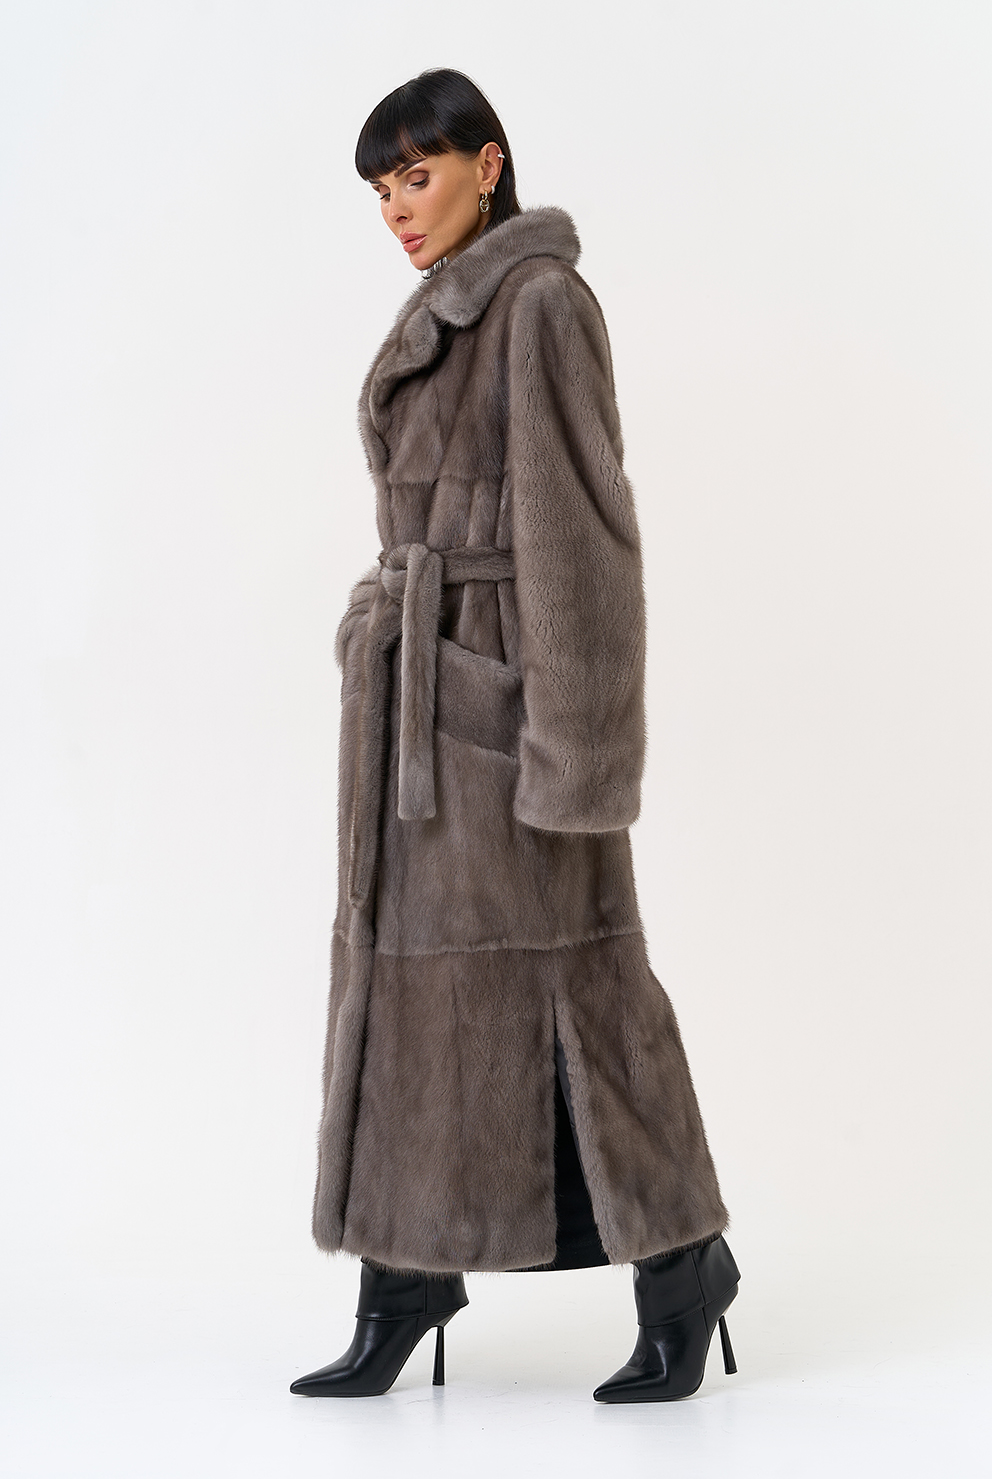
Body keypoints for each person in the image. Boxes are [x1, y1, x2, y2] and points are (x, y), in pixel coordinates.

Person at [290, 68, 740, 1405]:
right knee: (410, 999)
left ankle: (685, 1268)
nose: (397, 210)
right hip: (420, 715)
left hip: (510, 722)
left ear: (488, 164)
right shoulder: (446, 305)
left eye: (416, 177)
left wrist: (578, 755)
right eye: (381, 190)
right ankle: (405, 1276)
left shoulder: (538, 300)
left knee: (585, 1003)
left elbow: (585, 539)